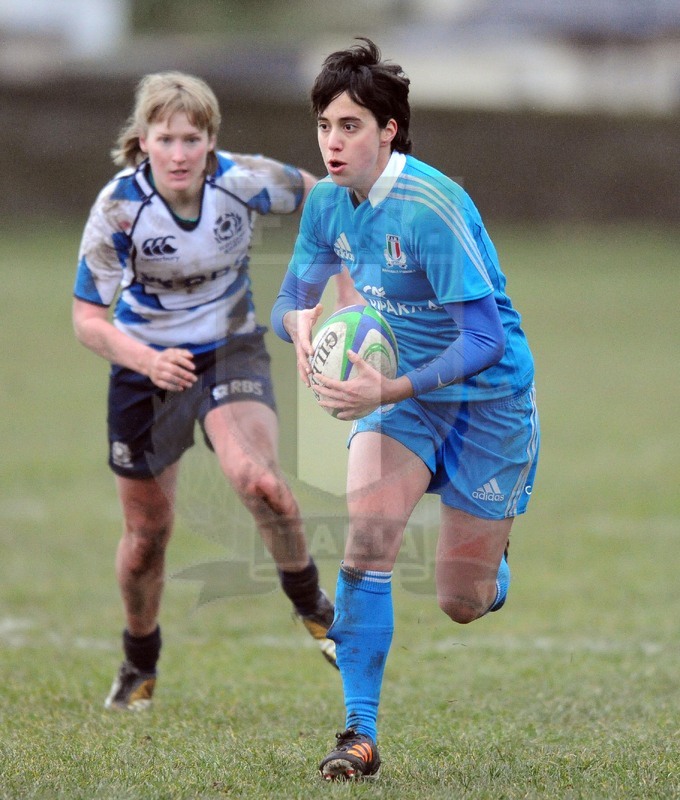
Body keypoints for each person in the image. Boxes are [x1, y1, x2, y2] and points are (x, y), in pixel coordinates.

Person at [271, 39, 540, 780]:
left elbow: (485, 339)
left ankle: (494, 562)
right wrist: (301, 327)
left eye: (351, 125)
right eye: (326, 124)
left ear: (389, 129)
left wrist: (386, 388)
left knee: (462, 599)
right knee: (368, 540)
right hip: (399, 402)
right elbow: (290, 300)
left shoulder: (431, 206)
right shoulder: (328, 204)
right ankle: (359, 735)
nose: (333, 141)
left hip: (488, 401)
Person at [72, 71, 357, 711]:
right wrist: (147, 360)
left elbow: (330, 200)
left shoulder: (242, 179)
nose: (178, 153)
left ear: (210, 142)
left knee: (261, 483)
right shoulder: (120, 207)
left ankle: (313, 605)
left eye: (191, 138)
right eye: (165, 138)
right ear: (142, 140)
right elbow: (88, 319)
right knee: (148, 537)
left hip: (231, 350)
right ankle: (139, 663)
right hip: (145, 369)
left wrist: (344, 290)